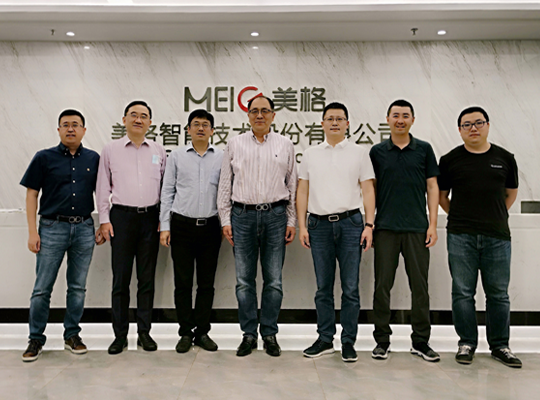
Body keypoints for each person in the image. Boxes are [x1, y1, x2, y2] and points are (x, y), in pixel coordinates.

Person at [439, 106, 521, 368]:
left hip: (497, 236)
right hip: (460, 235)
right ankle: (466, 343)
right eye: (467, 124)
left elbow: (511, 192)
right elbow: (442, 196)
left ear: (487, 125)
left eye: (478, 123)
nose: (473, 128)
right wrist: (462, 215)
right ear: (459, 129)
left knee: (498, 294)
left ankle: (500, 345)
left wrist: (493, 215)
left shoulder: (505, 158)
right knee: (463, 292)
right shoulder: (450, 160)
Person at [217, 95, 297, 357]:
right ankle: (249, 334)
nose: (259, 115)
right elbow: (225, 184)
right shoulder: (235, 144)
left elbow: (292, 185)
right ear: (248, 115)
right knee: (244, 281)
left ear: (273, 115)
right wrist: (225, 220)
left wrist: (292, 220)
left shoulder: (285, 144)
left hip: (276, 216)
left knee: (274, 280)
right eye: (254, 111)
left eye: (265, 110)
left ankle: (270, 333)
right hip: (242, 217)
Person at [297, 102, 375, 362]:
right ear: (322, 123)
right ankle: (325, 338)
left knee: (350, 287)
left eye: (339, 119)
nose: (334, 123)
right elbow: (302, 191)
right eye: (329, 118)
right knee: (323, 287)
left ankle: (348, 341)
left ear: (347, 124)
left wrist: (369, 225)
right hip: (318, 225)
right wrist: (302, 225)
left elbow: (368, 190)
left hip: (351, 224)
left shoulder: (359, 153)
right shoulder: (310, 154)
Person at [20, 109, 100, 362]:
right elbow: (32, 194)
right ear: (58, 130)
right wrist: (32, 231)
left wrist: (103, 223)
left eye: (76, 124)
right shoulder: (44, 157)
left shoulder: (94, 158)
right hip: (52, 228)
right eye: (65, 125)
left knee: (77, 288)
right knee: (42, 288)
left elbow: (103, 192)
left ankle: (72, 335)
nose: (70, 129)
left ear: (84, 130)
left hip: (84, 228)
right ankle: (35, 338)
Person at [369, 99, 440, 362]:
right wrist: (370, 224)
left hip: (417, 229)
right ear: (388, 119)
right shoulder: (377, 152)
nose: (400, 120)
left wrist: (432, 224)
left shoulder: (424, 149)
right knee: (382, 286)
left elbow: (432, 187)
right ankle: (382, 341)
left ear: (412, 119)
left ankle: (421, 341)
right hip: (385, 229)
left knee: (420, 287)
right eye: (396, 115)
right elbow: (369, 189)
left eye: (405, 115)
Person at [96, 100, 166, 355]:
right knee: (121, 280)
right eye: (133, 115)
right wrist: (104, 219)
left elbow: (166, 189)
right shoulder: (111, 149)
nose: (138, 120)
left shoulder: (158, 150)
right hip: (121, 219)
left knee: (146, 279)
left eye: (144, 116)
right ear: (124, 119)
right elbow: (102, 186)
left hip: (150, 218)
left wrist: (164, 220)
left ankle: (144, 333)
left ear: (150, 122)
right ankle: (120, 335)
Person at [160, 109, 223, 354]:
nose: (200, 128)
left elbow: (226, 192)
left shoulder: (222, 157)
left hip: (211, 226)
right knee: (183, 283)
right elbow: (167, 191)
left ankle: (202, 332)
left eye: (205, 124)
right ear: (188, 129)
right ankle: (185, 332)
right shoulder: (176, 156)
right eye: (196, 124)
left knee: (207, 284)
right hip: (182, 226)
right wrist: (165, 226)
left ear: (212, 130)